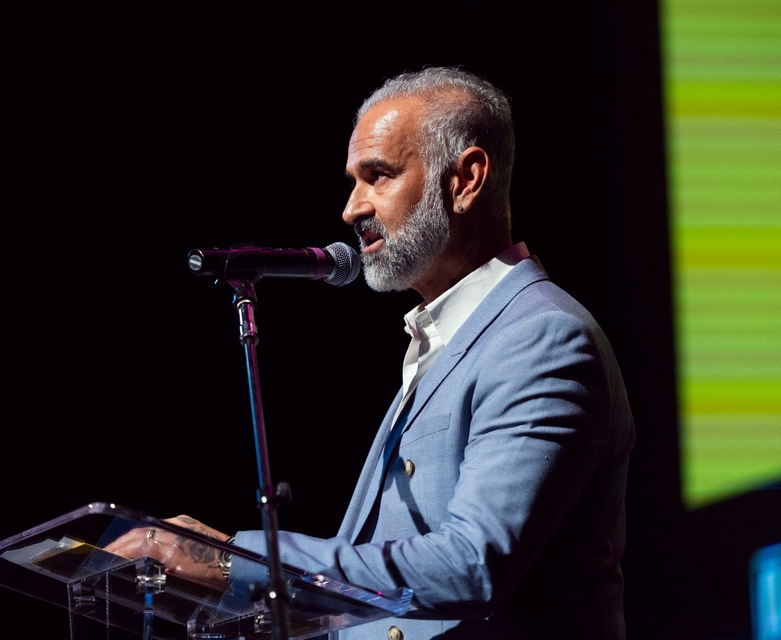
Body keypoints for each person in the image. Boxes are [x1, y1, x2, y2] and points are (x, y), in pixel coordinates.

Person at [106, 66, 636, 639]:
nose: (351, 208)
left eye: (377, 176)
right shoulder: (448, 337)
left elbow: (472, 566)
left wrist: (234, 562)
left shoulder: (540, 338)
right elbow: (375, 587)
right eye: (353, 181)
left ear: (465, 180)